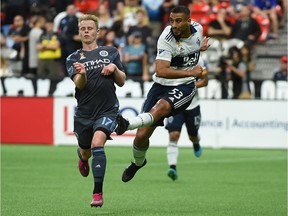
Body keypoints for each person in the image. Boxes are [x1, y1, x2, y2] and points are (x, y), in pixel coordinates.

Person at [115, 5, 210, 183]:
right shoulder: (166, 38)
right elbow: (161, 71)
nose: (174, 25)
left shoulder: (198, 29)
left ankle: (127, 124)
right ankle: (137, 163)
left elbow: (191, 48)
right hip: (161, 85)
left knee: (162, 107)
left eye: (178, 21)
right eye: (172, 20)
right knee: (142, 136)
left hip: (185, 86)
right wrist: (192, 71)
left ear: (189, 21)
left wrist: (199, 50)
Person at [65, 14, 126, 207]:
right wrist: (82, 74)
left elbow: (122, 81)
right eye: (83, 29)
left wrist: (114, 68)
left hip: (108, 110)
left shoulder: (111, 52)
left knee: (97, 142)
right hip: (84, 113)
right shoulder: (73, 58)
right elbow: (79, 84)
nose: (86, 31)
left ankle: (97, 193)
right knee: (86, 151)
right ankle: (82, 158)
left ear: (97, 32)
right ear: (79, 32)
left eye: (90, 28)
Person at [166, 62, 208, 181]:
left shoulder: (199, 60)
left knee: (193, 136)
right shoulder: (169, 57)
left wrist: (188, 87)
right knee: (174, 135)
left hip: (192, 106)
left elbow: (205, 81)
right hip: (175, 104)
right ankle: (172, 167)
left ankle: (196, 142)